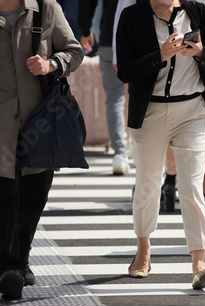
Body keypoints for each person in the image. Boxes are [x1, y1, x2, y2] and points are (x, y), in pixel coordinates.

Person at [0, 0, 83, 299]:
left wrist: (52, 64)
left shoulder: (48, 10)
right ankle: (8, 267)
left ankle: (21, 256)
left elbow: (75, 51)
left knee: (36, 191)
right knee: (2, 191)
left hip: (40, 121)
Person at [116, 0, 205, 289]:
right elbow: (124, 71)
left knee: (191, 187)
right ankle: (143, 249)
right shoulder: (131, 16)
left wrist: (200, 53)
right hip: (150, 111)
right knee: (148, 184)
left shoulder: (196, 12)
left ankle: (199, 263)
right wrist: (160, 55)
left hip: (191, 110)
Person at [79, 0, 131, 175]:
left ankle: (120, 153)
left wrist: (85, 29)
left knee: (115, 98)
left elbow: (88, 3)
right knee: (144, 95)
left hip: (110, 36)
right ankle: (138, 149)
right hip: (141, 36)